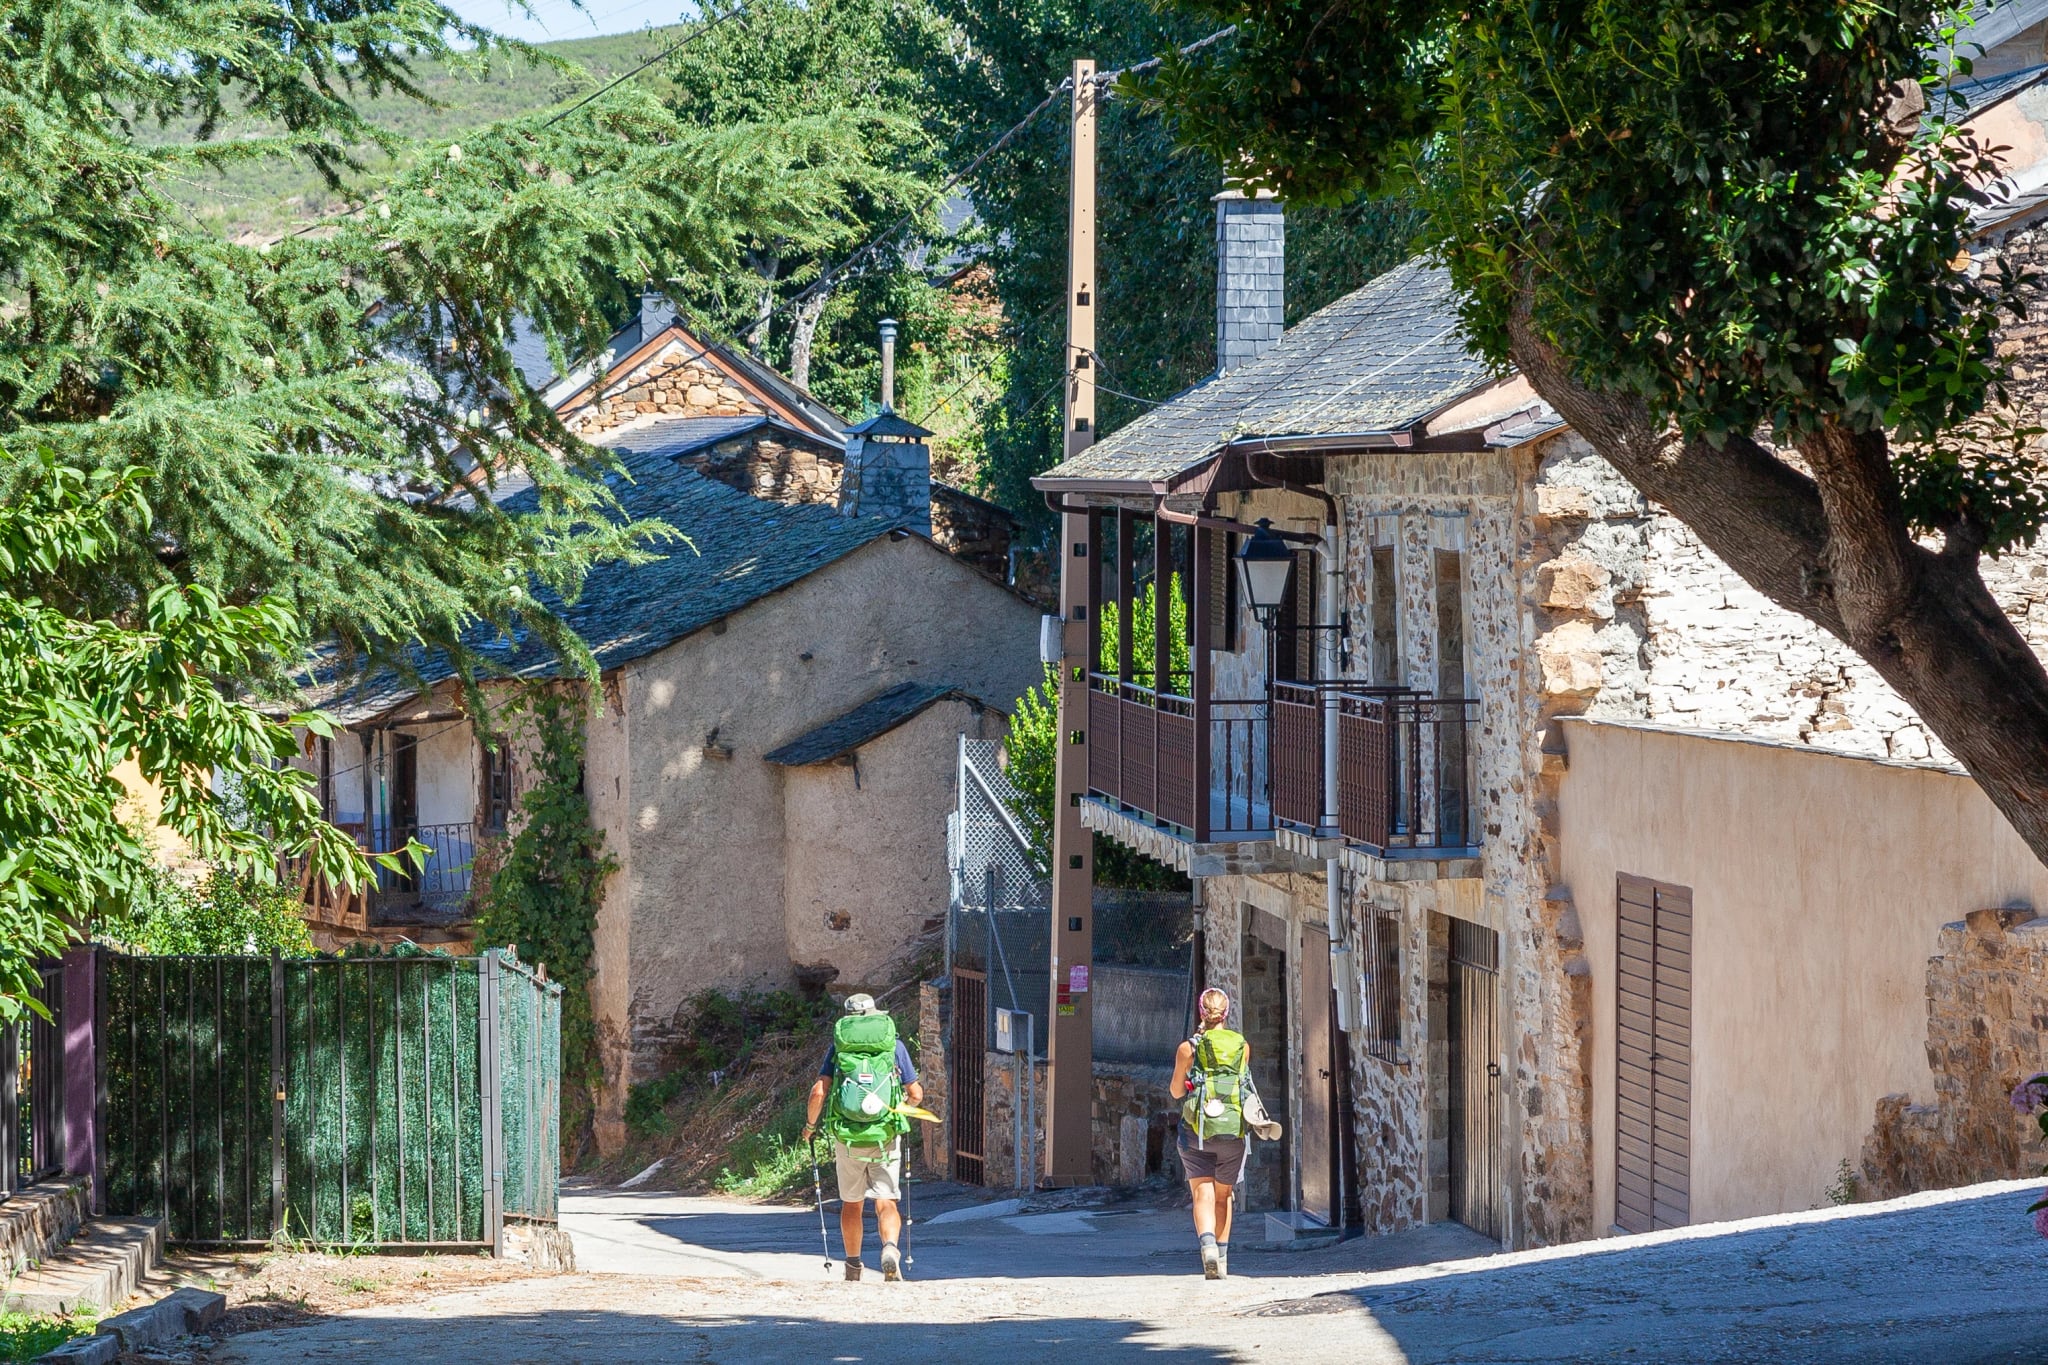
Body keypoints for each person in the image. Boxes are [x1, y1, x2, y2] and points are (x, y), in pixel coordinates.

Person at [803, 993, 922, 1282]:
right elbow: (917, 1094)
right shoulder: (893, 1046)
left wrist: (809, 1127)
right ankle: (890, 1249)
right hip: (885, 1134)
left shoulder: (839, 1048)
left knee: (852, 1203)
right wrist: (898, 1110)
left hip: (848, 1137)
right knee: (886, 1200)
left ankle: (854, 1266)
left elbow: (819, 1092)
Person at [1170, 987, 1253, 1280]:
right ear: (1226, 1013)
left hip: (1197, 1132)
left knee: (1202, 1191)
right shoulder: (1242, 1046)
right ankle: (1223, 1255)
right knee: (1224, 1195)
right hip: (1233, 1132)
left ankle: (1207, 1248)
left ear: (1201, 1013)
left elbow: (1177, 1090)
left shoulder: (1188, 1048)